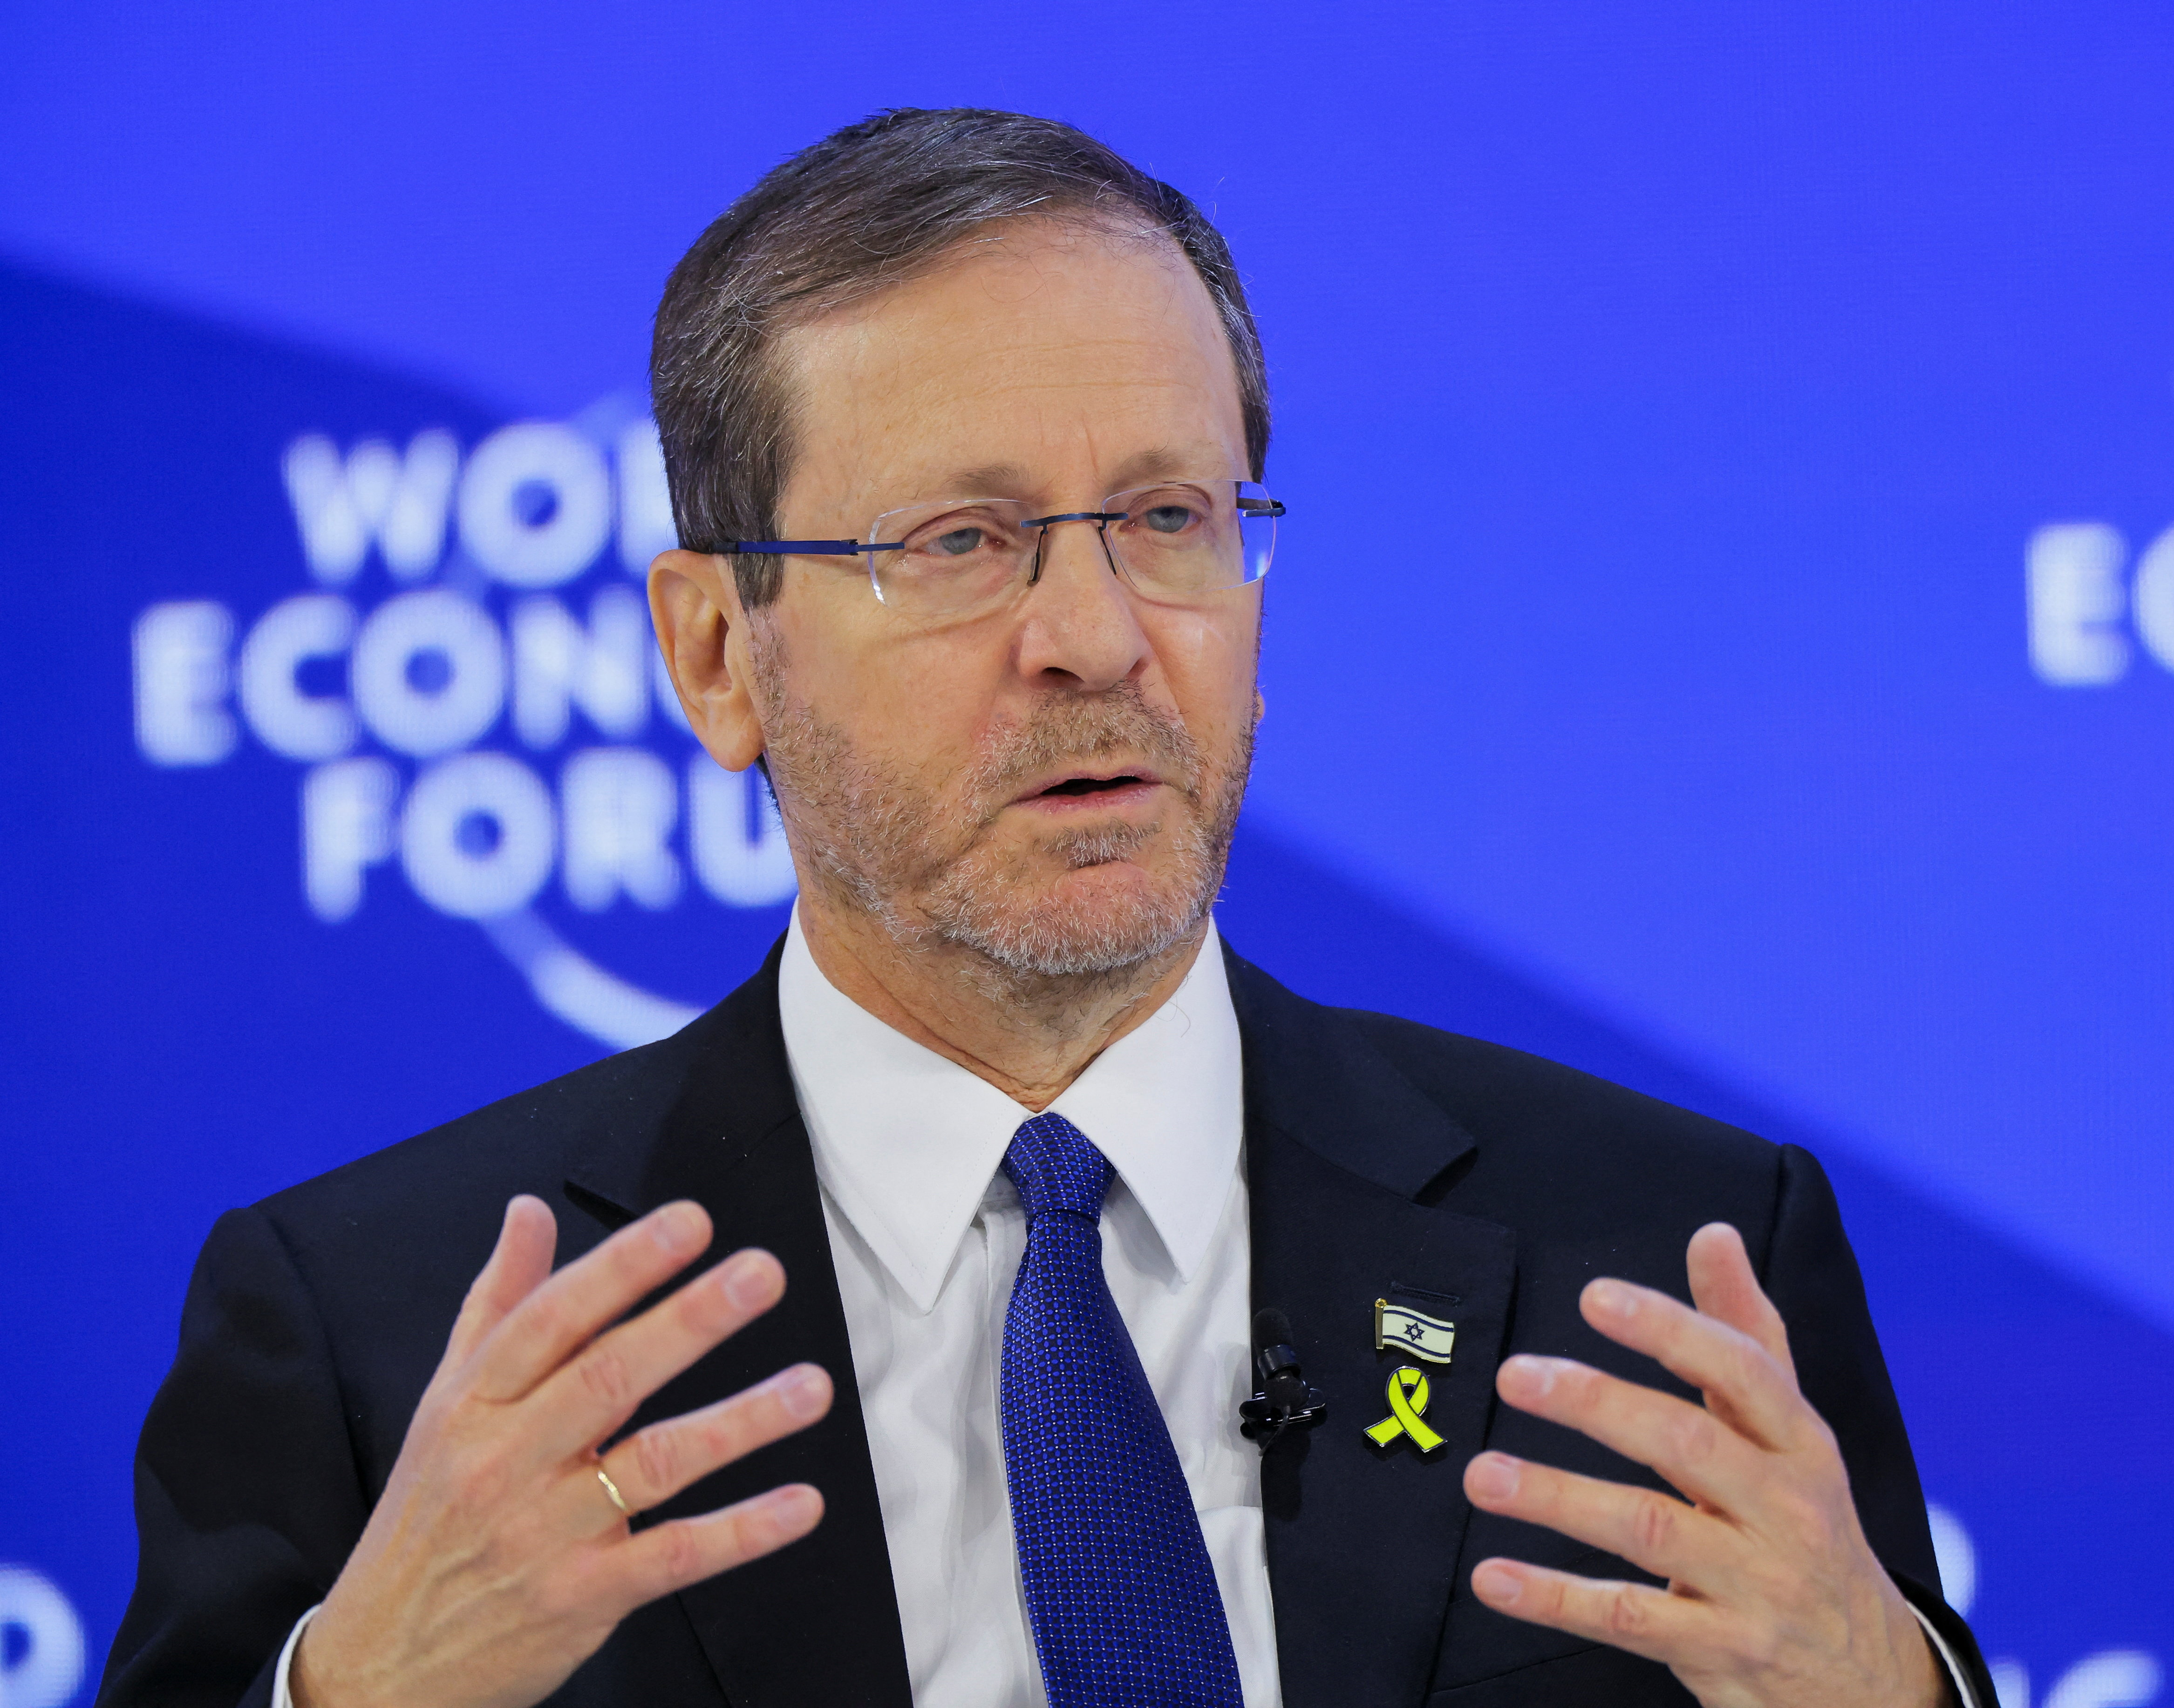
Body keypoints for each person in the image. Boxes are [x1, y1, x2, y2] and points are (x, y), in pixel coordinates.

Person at [102, 108, 1996, 1708]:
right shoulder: (384, 1327)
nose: (1095, 639)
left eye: (1170, 516)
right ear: (715, 651)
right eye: (959, 543)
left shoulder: (1658, 1258)